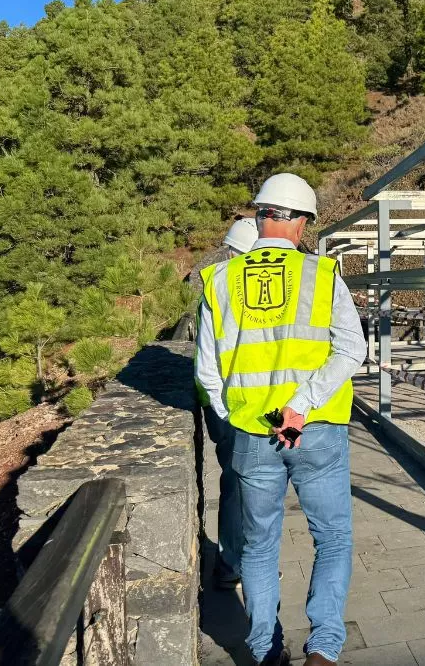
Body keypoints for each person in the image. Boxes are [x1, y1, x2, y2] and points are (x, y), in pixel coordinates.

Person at [196, 173, 367, 666]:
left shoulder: (219, 281)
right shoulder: (322, 275)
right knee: (332, 538)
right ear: (299, 222)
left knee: (258, 545)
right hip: (316, 430)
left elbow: (208, 374)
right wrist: (303, 403)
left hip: (252, 433)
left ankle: (265, 650)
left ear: (260, 216)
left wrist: (240, 418)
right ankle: (324, 649)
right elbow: (351, 350)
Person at [198, 217, 258, 590]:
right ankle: (235, 563)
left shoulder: (218, 284)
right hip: (233, 404)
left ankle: (239, 561)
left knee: (238, 481)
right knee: (240, 484)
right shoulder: (234, 288)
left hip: (223, 401)